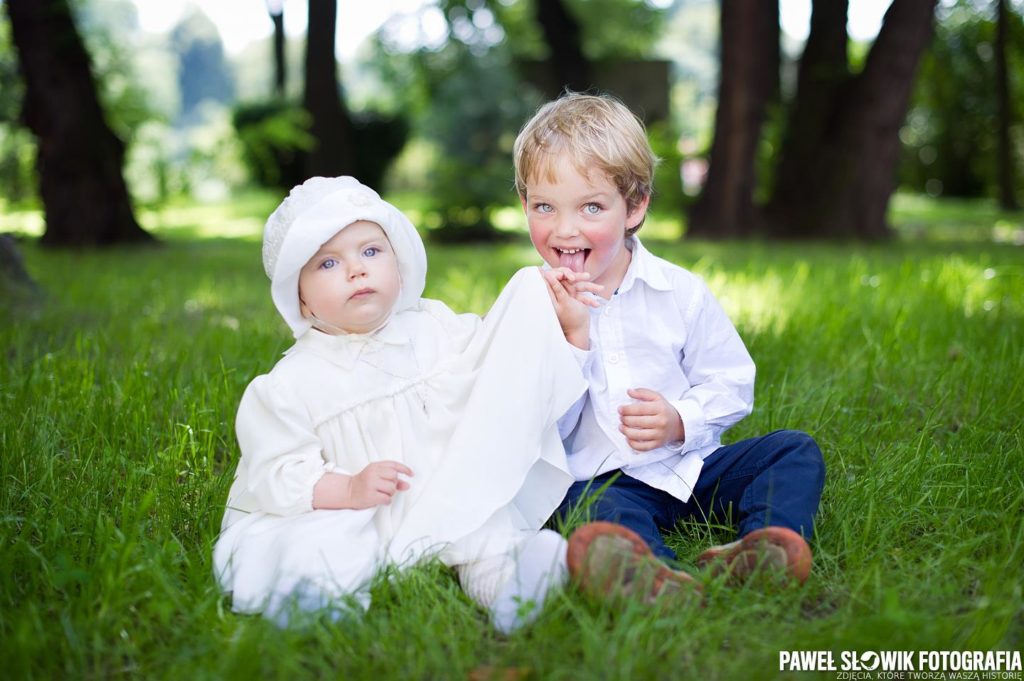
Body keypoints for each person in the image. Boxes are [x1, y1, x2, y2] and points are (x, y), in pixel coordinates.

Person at [212, 176, 695, 632]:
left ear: (399, 264)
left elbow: (502, 371)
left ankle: (512, 590)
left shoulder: (436, 327)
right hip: (370, 509)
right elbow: (277, 471)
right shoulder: (290, 384)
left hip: (453, 484)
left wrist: (566, 330)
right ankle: (317, 600)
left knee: (486, 534)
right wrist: (348, 488)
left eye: (371, 251)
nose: (356, 268)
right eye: (328, 264)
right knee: (322, 549)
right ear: (299, 300)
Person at [513, 93, 826, 584]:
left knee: (793, 450)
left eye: (591, 206)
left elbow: (731, 382)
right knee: (577, 502)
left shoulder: (679, 293)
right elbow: (535, 428)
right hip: (605, 479)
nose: (565, 228)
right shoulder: (529, 305)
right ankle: (655, 574)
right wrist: (574, 337)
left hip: (693, 468)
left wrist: (681, 420)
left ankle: (766, 544)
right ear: (524, 204)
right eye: (544, 206)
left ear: (635, 207)